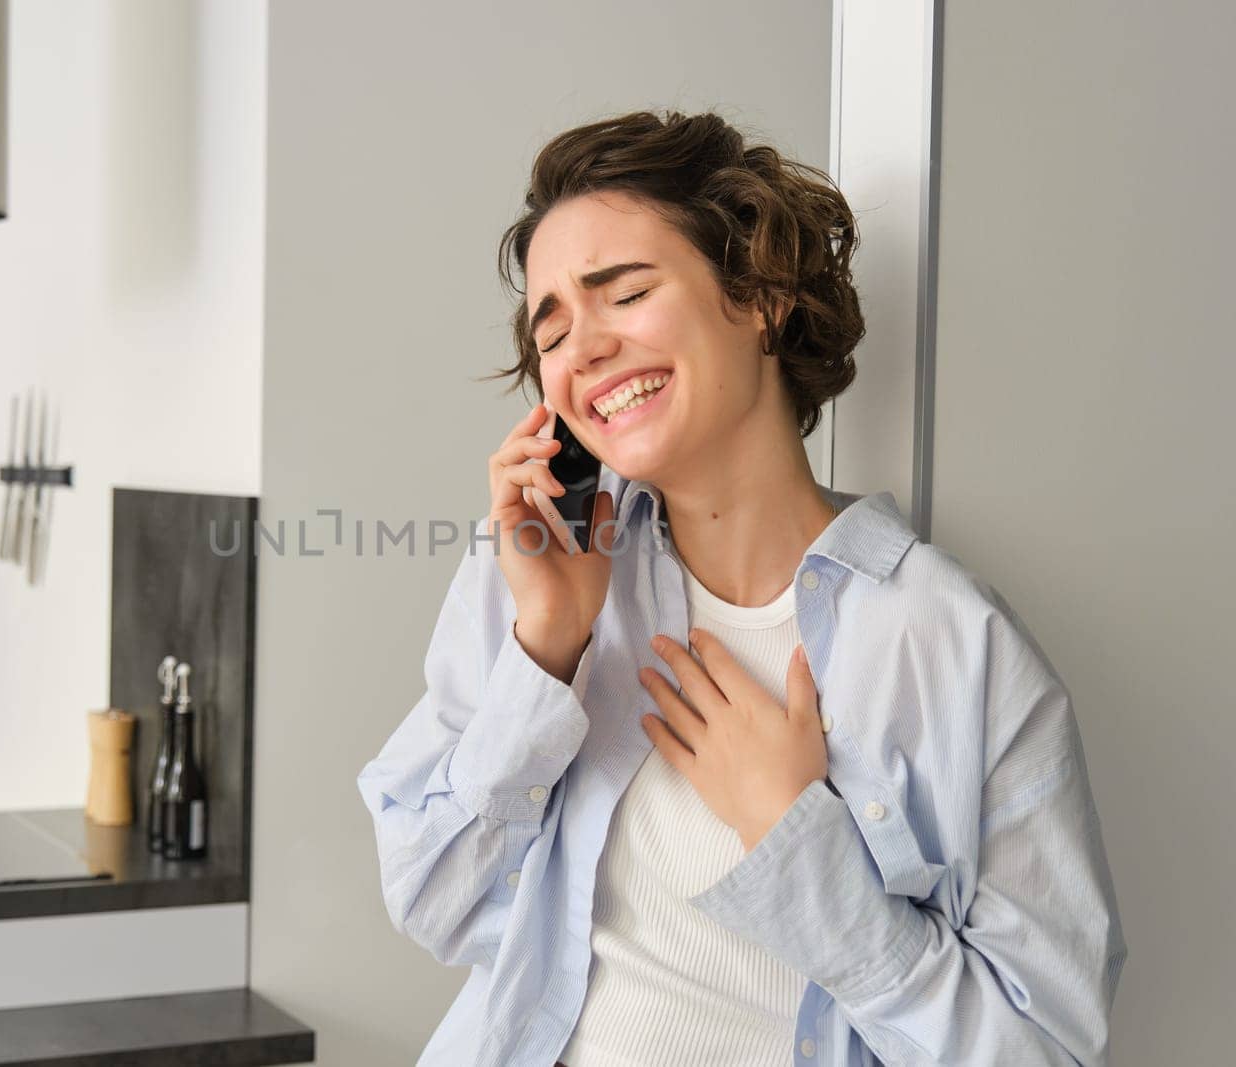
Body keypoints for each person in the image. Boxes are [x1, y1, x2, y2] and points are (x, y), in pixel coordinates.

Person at [356, 109, 1126, 1066]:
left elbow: (1041, 1050)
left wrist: (797, 844)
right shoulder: (533, 577)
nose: (582, 349)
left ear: (759, 293)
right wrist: (547, 646)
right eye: (550, 330)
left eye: (624, 292)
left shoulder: (953, 646)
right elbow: (435, 902)